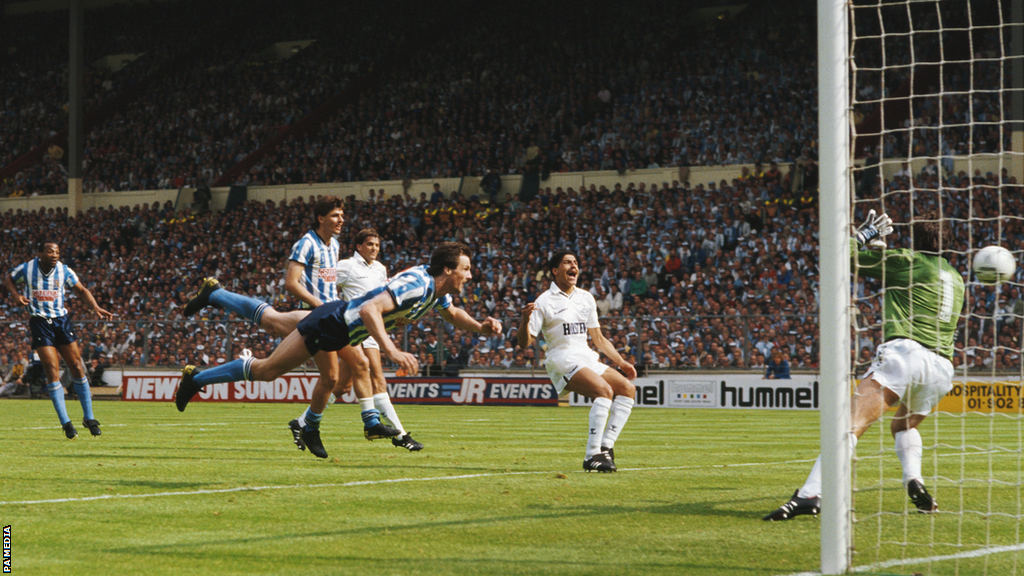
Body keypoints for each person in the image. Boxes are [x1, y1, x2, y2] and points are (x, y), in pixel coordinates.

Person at [175, 242, 502, 459]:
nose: (470, 275)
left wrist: (481, 327)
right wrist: (391, 350)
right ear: (448, 269)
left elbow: (453, 314)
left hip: (340, 323)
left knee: (281, 326)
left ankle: (215, 294)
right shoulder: (418, 282)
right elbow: (371, 310)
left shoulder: (435, 291)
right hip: (331, 324)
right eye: (466, 269)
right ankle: (198, 380)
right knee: (267, 371)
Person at [764, 209, 964, 520]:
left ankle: (810, 494)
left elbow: (842, 257)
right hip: (941, 368)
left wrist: (864, 235)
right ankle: (915, 480)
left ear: (917, 239)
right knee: (902, 424)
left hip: (905, 355)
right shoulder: (956, 278)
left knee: (849, 426)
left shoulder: (909, 261)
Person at [288, 228, 423, 452]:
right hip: (352, 326)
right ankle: (400, 434)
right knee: (376, 376)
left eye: (377, 245)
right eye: (370, 244)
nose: (374, 249)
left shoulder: (381, 269)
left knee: (342, 385)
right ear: (358, 247)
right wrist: (322, 305)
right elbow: (322, 282)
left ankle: (301, 422)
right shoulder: (346, 266)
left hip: (372, 328)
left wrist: (396, 318)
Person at [518, 250, 637, 473]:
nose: (573, 266)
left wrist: (620, 361)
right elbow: (525, 343)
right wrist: (524, 320)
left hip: (586, 356)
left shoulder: (585, 297)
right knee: (604, 390)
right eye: (567, 263)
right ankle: (591, 455)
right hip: (561, 358)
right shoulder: (544, 301)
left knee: (627, 389)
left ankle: (605, 446)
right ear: (555, 271)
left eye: (575, 262)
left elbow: (598, 338)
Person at [4, 241, 115, 438]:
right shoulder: (28, 268)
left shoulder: (64, 270)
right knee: (52, 370)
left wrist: (95, 307)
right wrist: (15, 295)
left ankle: (89, 417)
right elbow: (8, 279)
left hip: (61, 322)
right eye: (50, 251)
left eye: (56, 252)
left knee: (77, 367)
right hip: (40, 323)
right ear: (41, 253)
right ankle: (66, 423)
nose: (54, 255)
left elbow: (81, 290)